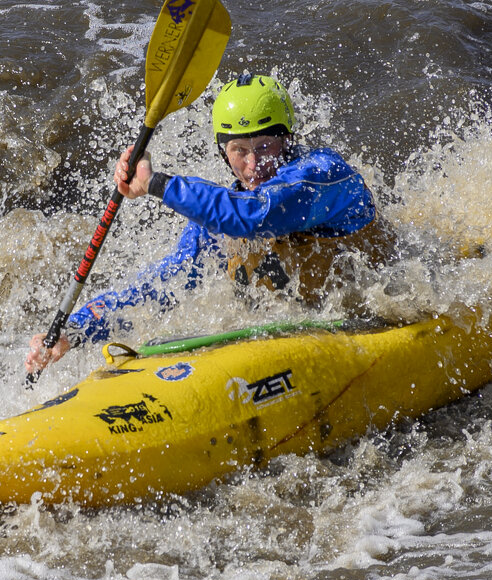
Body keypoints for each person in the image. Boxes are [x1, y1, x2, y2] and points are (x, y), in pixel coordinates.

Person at [26, 73, 395, 374]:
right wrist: (74, 330)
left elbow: (254, 215)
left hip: (384, 317)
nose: (253, 166)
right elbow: (157, 287)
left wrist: (156, 184)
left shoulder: (319, 177)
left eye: (265, 147)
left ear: (288, 139)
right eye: (240, 151)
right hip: (304, 331)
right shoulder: (220, 217)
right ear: (223, 152)